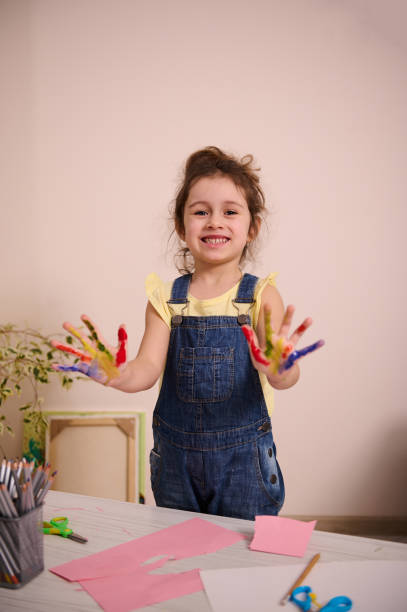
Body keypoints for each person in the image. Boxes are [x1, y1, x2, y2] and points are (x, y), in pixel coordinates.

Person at [52, 146, 324, 520]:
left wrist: (280, 367)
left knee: (241, 559)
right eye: (201, 212)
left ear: (252, 228)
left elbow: (284, 377)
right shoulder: (166, 299)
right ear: (182, 227)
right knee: (180, 553)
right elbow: (145, 370)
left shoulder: (260, 297)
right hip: (176, 463)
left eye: (230, 211)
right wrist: (116, 375)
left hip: (244, 463)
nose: (215, 221)